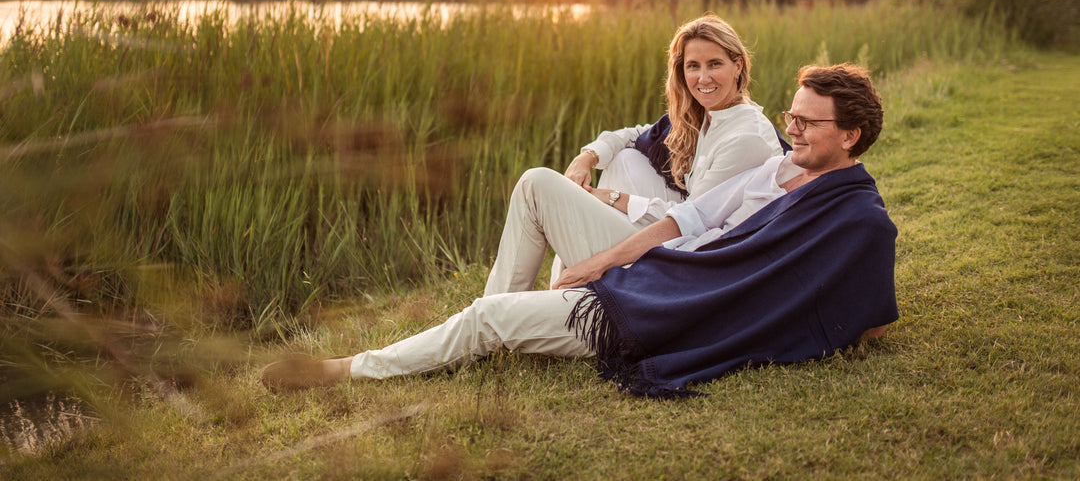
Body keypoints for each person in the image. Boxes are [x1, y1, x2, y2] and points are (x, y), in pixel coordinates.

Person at [261, 64, 898, 397]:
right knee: (536, 197)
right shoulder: (780, 167)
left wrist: (758, 315)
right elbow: (691, 217)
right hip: (656, 271)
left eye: (809, 123)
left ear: (850, 136)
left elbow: (863, 316)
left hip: (666, 307)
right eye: (793, 115)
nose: (794, 129)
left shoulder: (856, 218)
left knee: (488, 318)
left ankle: (347, 370)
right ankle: (485, 328)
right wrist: (602, 262)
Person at [541, 14, 787, 289]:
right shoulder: (708, 115)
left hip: (704, 254)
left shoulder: (745, 136)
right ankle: (573, 282)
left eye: (715, 64)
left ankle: (574, 283)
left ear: (737, 66)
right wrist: (587, 157)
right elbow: (633, 135)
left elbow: (692, 219)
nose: (703, 78)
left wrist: (610, 197)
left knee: (536, 184)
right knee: (625, 159)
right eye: (693, 66)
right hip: (688, 222)